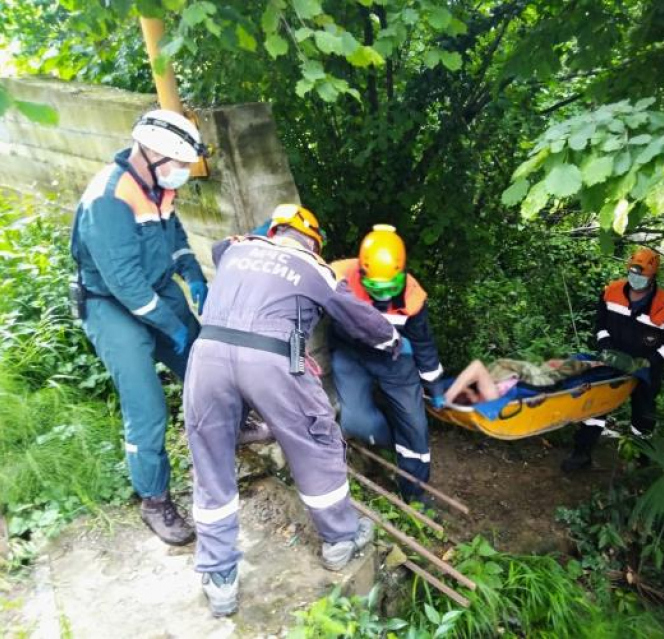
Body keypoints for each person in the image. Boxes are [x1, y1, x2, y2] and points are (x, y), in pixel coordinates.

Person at [183, 204, 401, 616]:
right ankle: (340, 538)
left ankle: (219, 577)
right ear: (313, 242)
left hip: (207, 356)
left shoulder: (237, 250)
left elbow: (217, 248)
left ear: (273, 229)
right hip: (271, 360)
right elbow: (360, 319)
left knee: (210, 460)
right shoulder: (313, 268)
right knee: (316, 442)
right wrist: (391, 339)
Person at [70, 109, 209, 545]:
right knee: (147, 405)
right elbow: (126, 285)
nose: (184, 173)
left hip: (156, 287)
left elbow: (176, 238)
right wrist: (172, 326)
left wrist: (193, 272)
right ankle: (154, 501)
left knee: (204, 363)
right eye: (180, 164)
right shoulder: (108, 200)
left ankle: (233, 425)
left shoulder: (157, 186)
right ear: (151, 153)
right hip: (110, 304)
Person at [330, 225, 445, 504]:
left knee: (415, 428)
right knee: (357, 423)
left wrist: (435, 386)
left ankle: (414, 492)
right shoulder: (337, 277)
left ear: (401, 273)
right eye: (375, 287)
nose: (383, 294)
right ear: (362, 272)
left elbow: (423, 344)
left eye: (390, 287)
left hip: (395, 360)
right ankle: (387, 439)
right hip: (351, 356)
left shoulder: (413, 297)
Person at [562, 248, 664, 472]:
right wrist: (605, 346)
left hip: (646, 368)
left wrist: (651, 361)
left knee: (643, 414)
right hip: (612, 360)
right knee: (597, 405)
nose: (635, 279)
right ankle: (581, 454)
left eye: (641, 276)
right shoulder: (611, 292)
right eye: (632, 273)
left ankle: (642, 459)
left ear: (652, 277)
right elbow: (600, 324)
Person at [444, 357, 600, 405]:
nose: (465, 387)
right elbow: (476, 366)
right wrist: (448, 397)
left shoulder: (481, 391)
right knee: (566, 368)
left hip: (523, 375)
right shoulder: (489, 396)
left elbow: (470, 376)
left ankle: (587, 363)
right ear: (471, 397)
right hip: (534, 383)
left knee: (553, 363)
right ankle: (596, 365)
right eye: (465, 390)